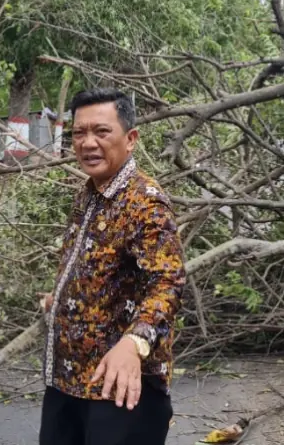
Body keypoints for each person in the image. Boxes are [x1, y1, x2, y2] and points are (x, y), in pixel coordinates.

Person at [37, 88, 186, 445]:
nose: (88, 143)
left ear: (130, 139)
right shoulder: (88, 193)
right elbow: (96, 271)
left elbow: (168, 282)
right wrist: (59, 300)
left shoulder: (145, 201)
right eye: (79, 133)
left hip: (120, 389)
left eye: (101, 132)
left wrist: (134, 342)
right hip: (69, 381)